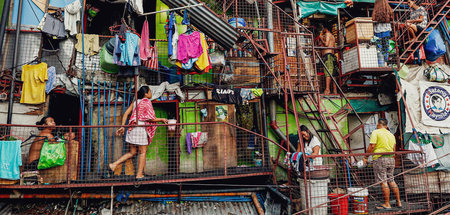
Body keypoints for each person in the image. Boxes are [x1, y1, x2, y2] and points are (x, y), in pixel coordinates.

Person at [110, 86, 168, 179]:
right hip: (140, 129)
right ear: (146, 93)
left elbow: (126, 114)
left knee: (133, 152)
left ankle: (114, 164)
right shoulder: (147, 102)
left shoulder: (135, 102)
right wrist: (162, 119)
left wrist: (122, 126)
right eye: (150, 91)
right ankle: (139, 174)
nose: (151, 93)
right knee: (143, 152)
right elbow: (151, 118)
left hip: (132, 129)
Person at [363, 118, 402, 210]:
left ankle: (387, 204)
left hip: (380, 159)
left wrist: (365, 157)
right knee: (391, 180)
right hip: (391, 159)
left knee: (383, 181)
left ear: (378, 125)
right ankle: (399, 202)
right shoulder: (391, 134)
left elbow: (372, 146)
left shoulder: (376, 132)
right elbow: (394, 148)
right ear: (386, 126)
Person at [372, 0, 394, 67]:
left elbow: (373, 19)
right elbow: (392, 18)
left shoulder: (376, 10)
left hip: (377, 32)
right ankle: (386, 63)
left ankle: (381, 65)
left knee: (379, 49)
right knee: (386, 49)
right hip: (386, 32)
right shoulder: (388, 9)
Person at [319, 24, 338, 95]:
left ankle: (327, 90)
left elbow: (326, 44)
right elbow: (334, 46)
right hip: (332, 55)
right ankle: (335, 89)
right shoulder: (332, 36)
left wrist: (321, 39)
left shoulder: (327, 34)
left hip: (328, 55)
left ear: (325, 28)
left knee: (328, 73)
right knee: (333, 73)